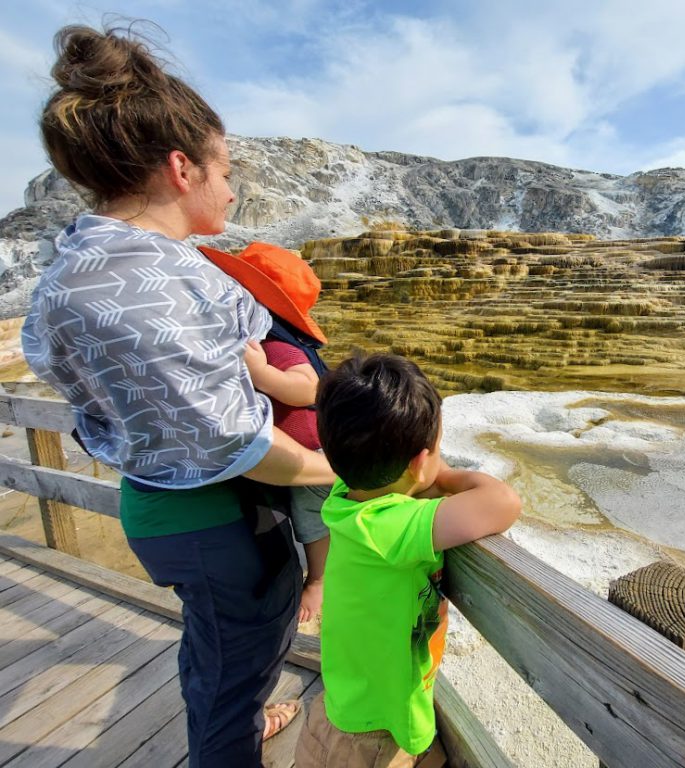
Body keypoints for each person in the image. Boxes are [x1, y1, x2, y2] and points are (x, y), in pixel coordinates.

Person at [21, 23, 337, 767]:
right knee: (236, 668)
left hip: (172, 511)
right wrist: (343, 471)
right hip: (216, 521)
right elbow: (230, 439)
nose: (232, 189)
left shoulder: (82, 262)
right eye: (226, 170)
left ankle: (231, 724)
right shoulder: (140, 282)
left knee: (217, 653)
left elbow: (67, 370)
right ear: (180, 168)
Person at [295, 353, 522, 768]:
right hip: (377, 735)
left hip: (348, 703)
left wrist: (421, 471)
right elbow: (503, 502)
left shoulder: (347, 498)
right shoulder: (395, 527)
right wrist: (446, 476)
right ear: (420, 463)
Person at [200, 241, 333, 622]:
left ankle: (320, 580)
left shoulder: (273, 339)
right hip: (300, 454)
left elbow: (309, 386)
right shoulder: (260, 335)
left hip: (313, 455)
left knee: (311, 518)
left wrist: (263, 375)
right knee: (312, 517)